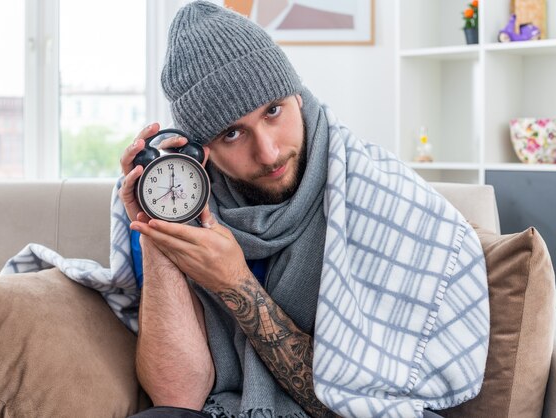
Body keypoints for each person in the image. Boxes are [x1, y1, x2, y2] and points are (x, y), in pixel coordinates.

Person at [118, 2, 489, 417]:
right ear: (202, 150)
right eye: (233, 132)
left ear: (297, 95)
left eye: (273, 111)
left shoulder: (375, 194)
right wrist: (155, 226)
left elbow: (358, 403)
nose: (269, 151)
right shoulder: (184, 201)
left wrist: (235, 282)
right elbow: (177, 398)